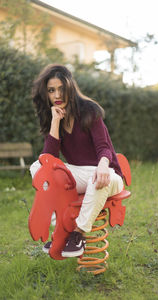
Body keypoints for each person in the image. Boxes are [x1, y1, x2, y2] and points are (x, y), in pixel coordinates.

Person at [30, 64, 123, 258]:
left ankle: (77, 233)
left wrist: (103, 166)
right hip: (79, 174)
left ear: (70, 87)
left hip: (108, 173)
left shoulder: (89, 110)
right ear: (46, 94)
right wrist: (55, 122)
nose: (57, 95)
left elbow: (103, 147)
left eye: (61, 88)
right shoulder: (55, 116)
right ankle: (62, 229)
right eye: (51, 90)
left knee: (97, 179)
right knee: (39, 167)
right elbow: (49, 159)